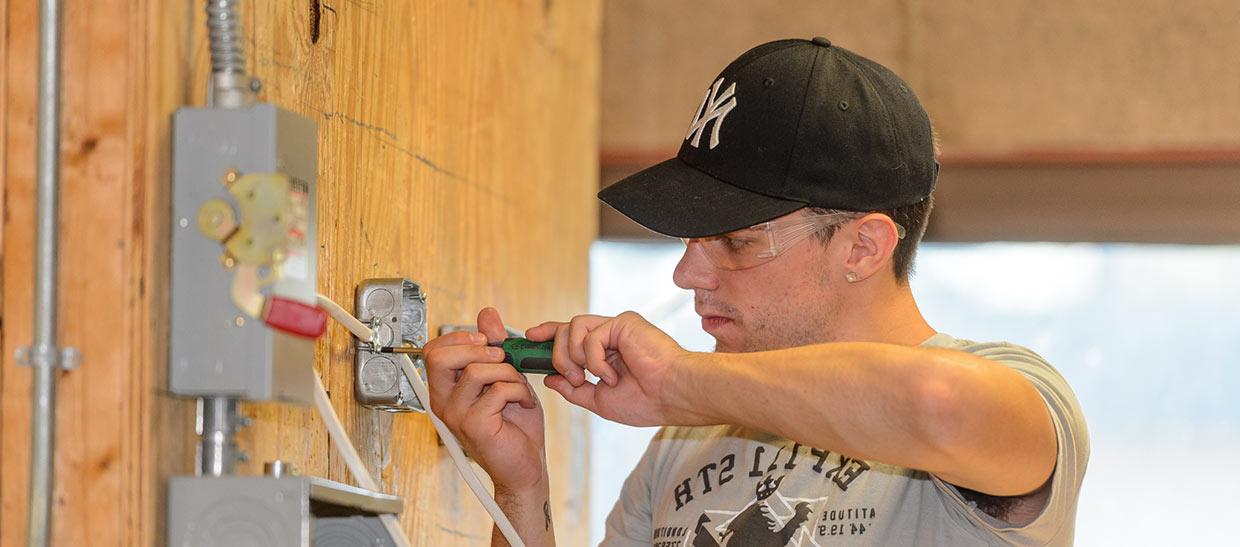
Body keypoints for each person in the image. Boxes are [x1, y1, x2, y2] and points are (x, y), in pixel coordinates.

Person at [423, 37, 1089, 546]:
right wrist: (519, 487)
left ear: (863, 246)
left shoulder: (1018, 393)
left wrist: (679, 381)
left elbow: (932, 403)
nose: (687, 275)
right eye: (688, 241)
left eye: (736, 242)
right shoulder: (686, 444)